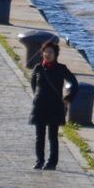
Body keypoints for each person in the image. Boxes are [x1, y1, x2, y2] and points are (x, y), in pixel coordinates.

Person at [29, 41, 77, 170]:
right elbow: (33, 85)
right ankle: (39, 161)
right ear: (42, 53)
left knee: (52, 136)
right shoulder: (38, 68)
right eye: (46, 52)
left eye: (51, 52)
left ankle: (52, 163)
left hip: (55, 106)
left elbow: (74, 84)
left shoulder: (61, 69)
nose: (48, 54)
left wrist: (67, 99)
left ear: (56, 54)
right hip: (39, 106)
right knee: (39, 136)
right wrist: (38, 97)